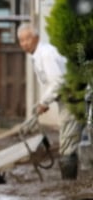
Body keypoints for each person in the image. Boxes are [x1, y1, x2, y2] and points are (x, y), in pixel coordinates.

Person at [17, 23, 85, 179]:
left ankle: (68, 187)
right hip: (71, 96)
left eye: (27, 39)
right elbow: (52, 83)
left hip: (73, 98)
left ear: (36, 38)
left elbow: (57, 81)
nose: (24, 44)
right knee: (70, 141)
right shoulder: (39, 55)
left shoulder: (46, 54)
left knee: (67, 145)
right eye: (21, 40)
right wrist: (45, 101)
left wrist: (44, 102)